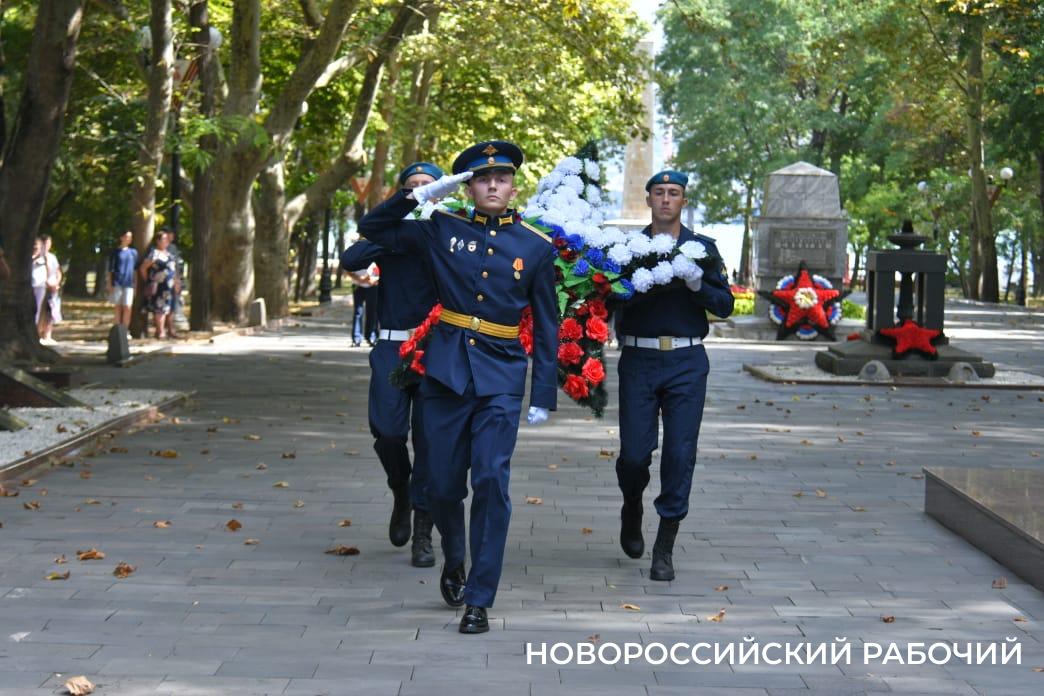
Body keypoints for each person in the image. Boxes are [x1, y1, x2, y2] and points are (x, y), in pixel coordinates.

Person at [358, 141, 557, 634]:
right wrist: (423, 197)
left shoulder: (534, 245)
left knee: (491, 480)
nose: (493, 185)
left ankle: (479, 598)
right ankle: (454, 554)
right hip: (445, 372)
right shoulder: (441, 229)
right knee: (443, 486)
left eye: (502, 178)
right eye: (482, 179)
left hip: (501, 377)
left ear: (514, 187)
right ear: (467, 187)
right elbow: (372, 231)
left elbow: (548, 324)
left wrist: (543, 394)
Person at [613, 170, 734, 582]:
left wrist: (697, 283)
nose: (666, 199)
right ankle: (632, 504)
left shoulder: (703, 249)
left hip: (686, 361)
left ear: (684, 201)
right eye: (659, 193)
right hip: (639, 359)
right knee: (633, 455)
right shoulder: (628, 247)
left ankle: (664, 545)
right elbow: (605, 293)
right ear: (648, 200)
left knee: (680, 454)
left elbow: (724, 305)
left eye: (674, 193)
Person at [340, 161, 444, 568]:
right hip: (391, 347)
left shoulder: (448, 232)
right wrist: (396, 219)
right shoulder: (391, 233)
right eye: (411, 186)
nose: (419, 192)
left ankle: (423, 531)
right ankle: (400, 486)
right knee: (386, 431)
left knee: (432, 444)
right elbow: (352, 256)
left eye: (427, 186)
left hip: (437, 350)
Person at [139, 230, 177, 339]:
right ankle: (160, 331)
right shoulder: (154, 253)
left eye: (167, 239)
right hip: (159, 287)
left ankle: (168, 330)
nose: (167, 241)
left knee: (168, 309)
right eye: (164, 239)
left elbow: (173, 270)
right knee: (160, 308)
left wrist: (176, 282)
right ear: (158, 241)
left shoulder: (169, 254)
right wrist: (150, 280)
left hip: (169, 287)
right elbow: (143, 268)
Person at [107, 230, 138, 330]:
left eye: (130, 237)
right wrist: (109, 284)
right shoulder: (115, 252)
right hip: (117, 282)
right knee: (118, 307)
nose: (129, 239)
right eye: (127, 236)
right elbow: (110, 270)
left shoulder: (133, 252)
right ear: (121, 238)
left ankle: (125, 330)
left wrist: (135, 284)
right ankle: (117, 330)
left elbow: (135, 270)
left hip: (129, 284)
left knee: (127, 307)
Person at [36, 234, 62, 344]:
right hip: (42, 286)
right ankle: (38, 333)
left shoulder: (52, 257)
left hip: (52, 286)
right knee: (39, 310)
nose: (48, 245)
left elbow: (58, 272)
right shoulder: (38, 257)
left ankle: (48, 334)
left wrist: (56, 282)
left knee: (51, 311)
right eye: (46, 243)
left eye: (49, 243)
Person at [347, 263, 379, 347]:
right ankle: (356, 339)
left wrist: (371, 280)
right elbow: (348, 270)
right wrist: (360, 279)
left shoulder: (375, 254)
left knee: (372, 312)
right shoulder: (356, 254)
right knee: (358, 312)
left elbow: (381, 270)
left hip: (373, 286)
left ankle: (372, 337)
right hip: (358, 286)